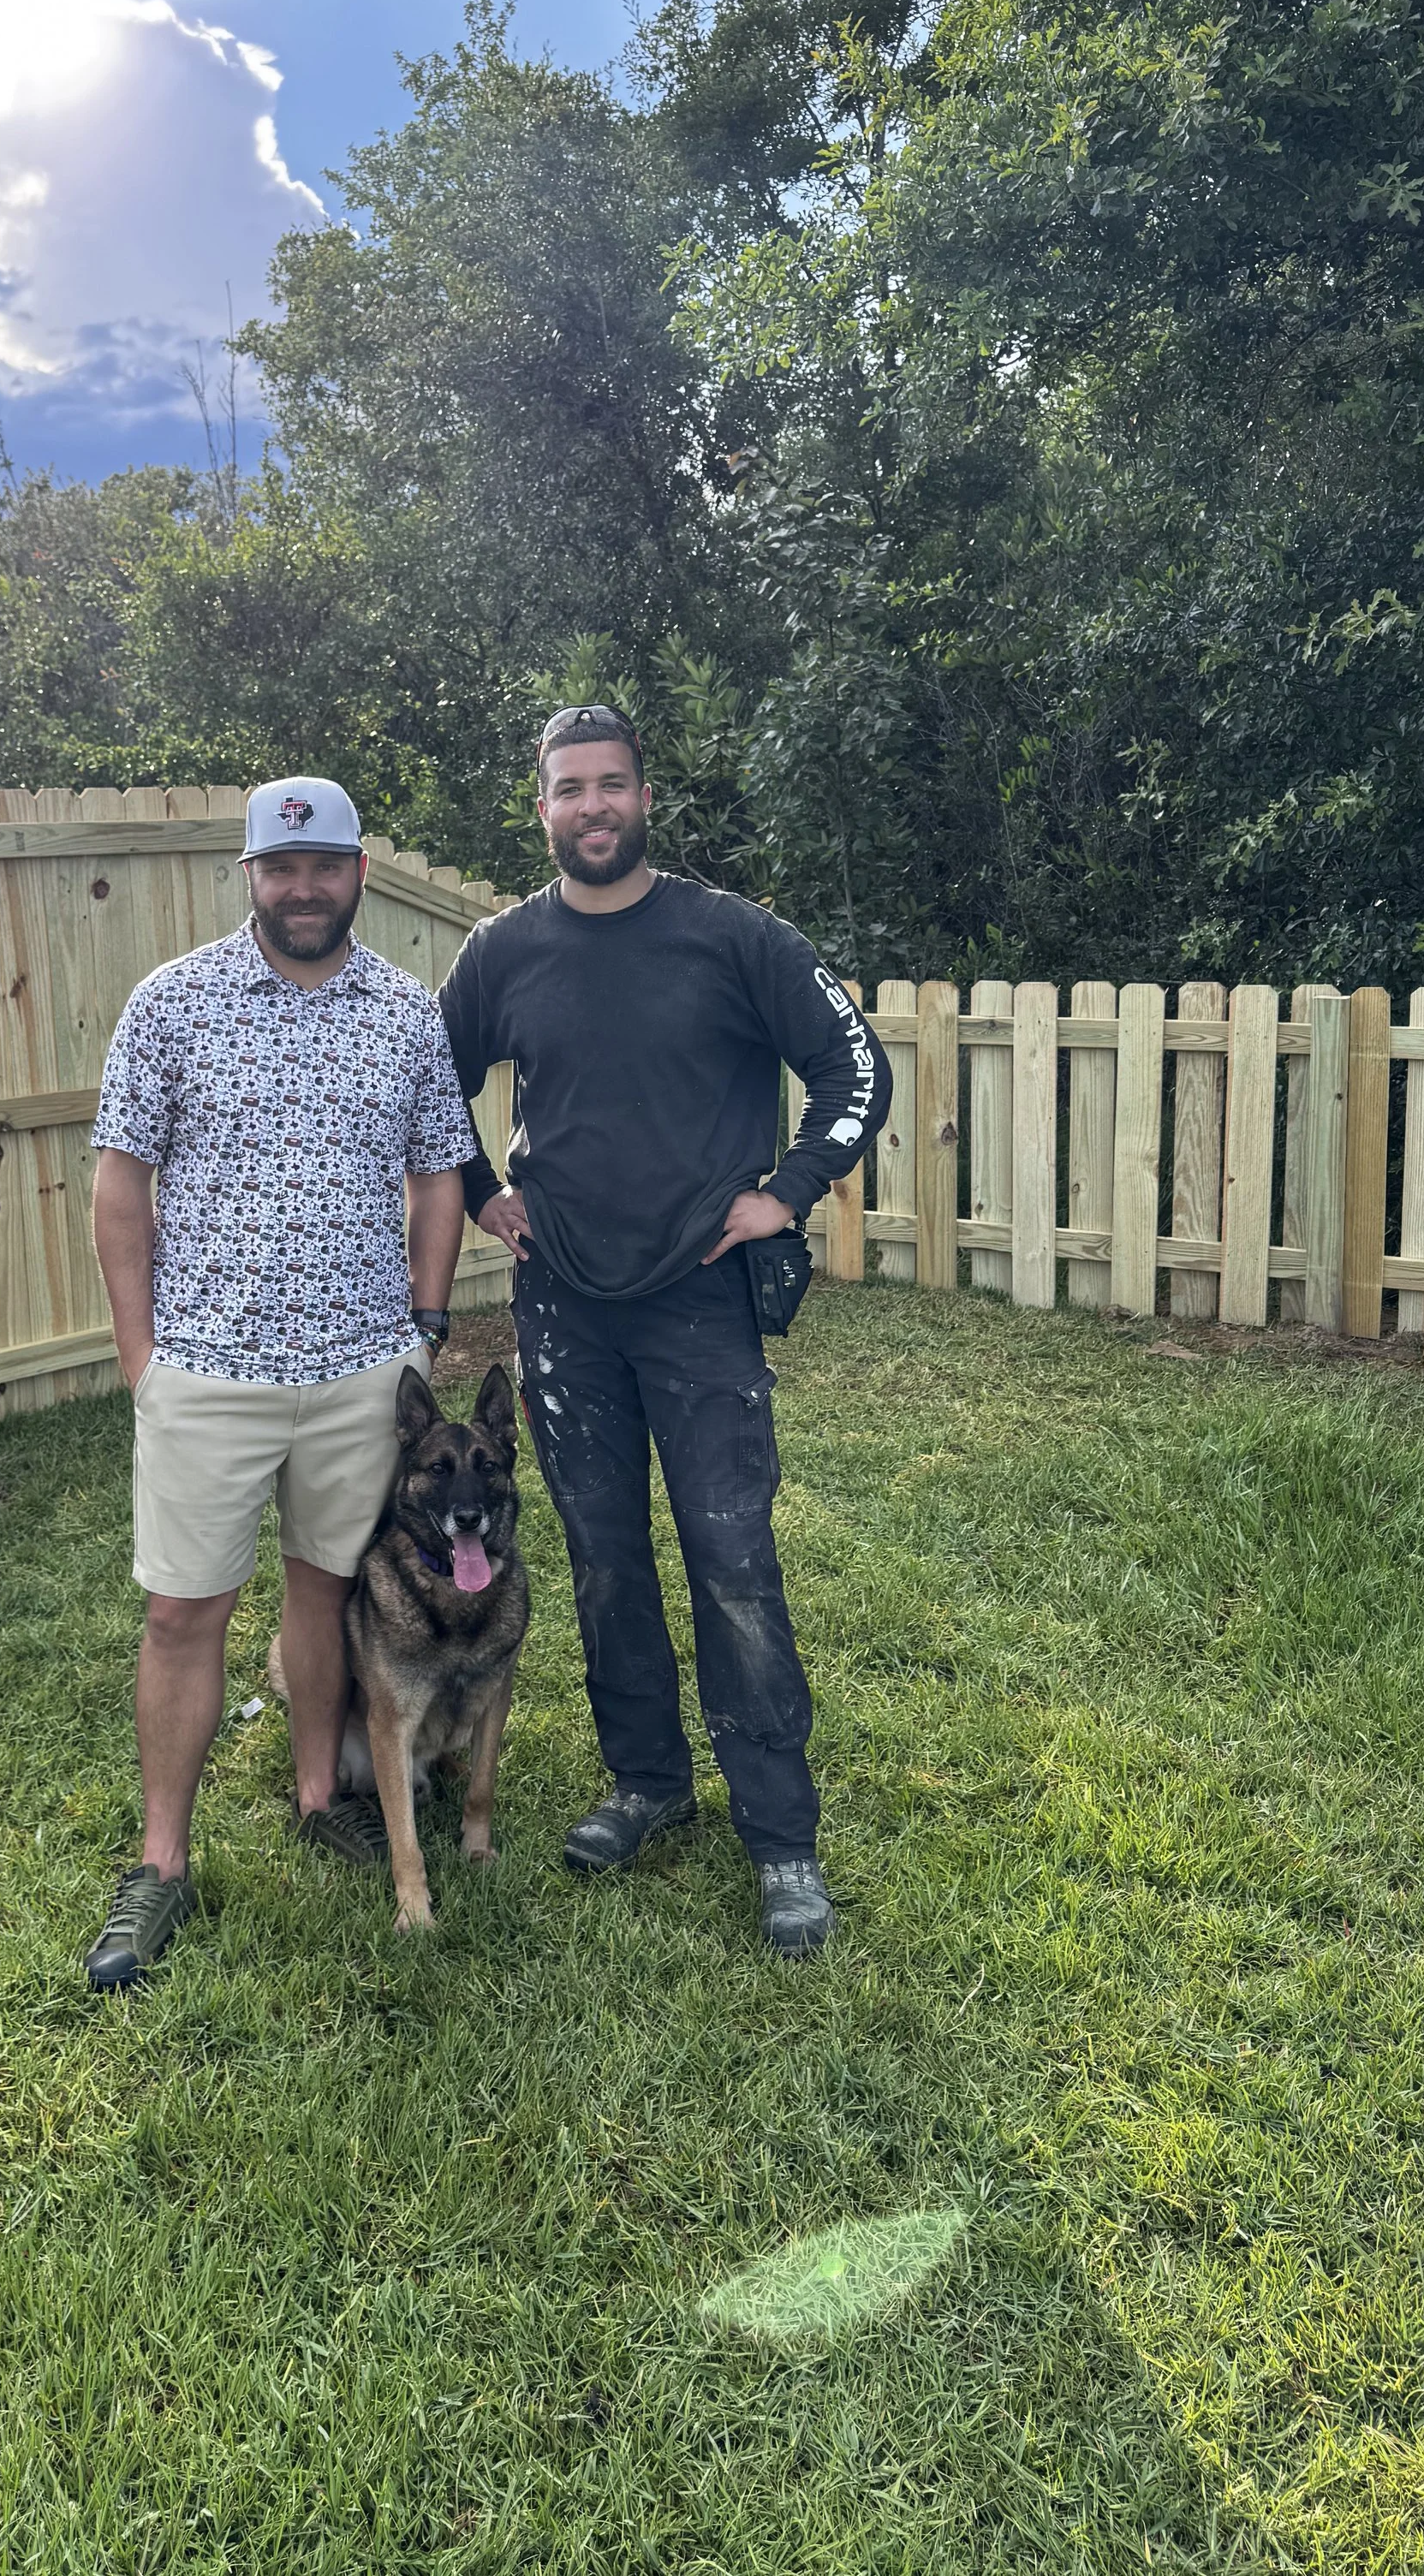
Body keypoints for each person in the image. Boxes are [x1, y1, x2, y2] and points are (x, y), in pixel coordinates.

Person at [438, 705, 890, 1955]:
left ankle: (782, 1838)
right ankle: (645, 1782)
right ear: (541, 808)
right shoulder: (501, 954)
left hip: (701, 1299)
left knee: (733, 1563)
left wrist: (787, 1192)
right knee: (601, 1558)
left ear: (646, 797)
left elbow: (858, 1072)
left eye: (612, 786)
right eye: (569, 789)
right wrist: (482, 1192)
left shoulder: (731, 937)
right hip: (563, 1305)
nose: (592, 807)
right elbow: (431, 1085)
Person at [84, 776, 479, 1989]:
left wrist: (422, 1325)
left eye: (325, 867)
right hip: (211, 1369)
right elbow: (118, 1188)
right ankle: (160, 1864)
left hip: (365, 1374)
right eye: (280, 868)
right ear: (248, 875)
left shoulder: (409, 1016)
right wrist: (142, 1360)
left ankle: (321, 1796)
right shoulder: (173, 1006)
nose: (303, 889)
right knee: (181, 1612)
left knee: (323, 1599)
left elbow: (440, 1175)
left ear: (359, 871)